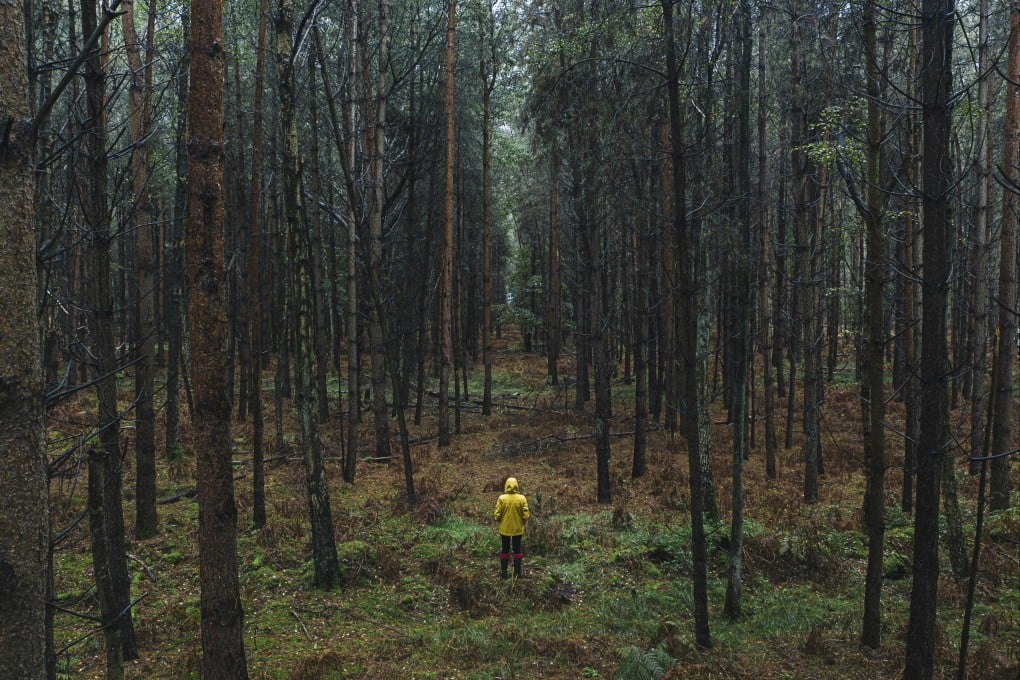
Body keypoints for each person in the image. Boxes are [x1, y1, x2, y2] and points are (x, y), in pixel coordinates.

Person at [493, 477, 530, 579]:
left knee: (505, 549)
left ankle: (504, 572)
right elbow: (526, 515)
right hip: (518, 530)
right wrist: (521, 522)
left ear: (506, 485)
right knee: (517, 549)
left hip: (504, 530)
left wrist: (500, 521)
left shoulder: (502, 498)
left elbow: (497, 515)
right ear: (517, 485)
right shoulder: (522, 498)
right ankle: (517, 573)